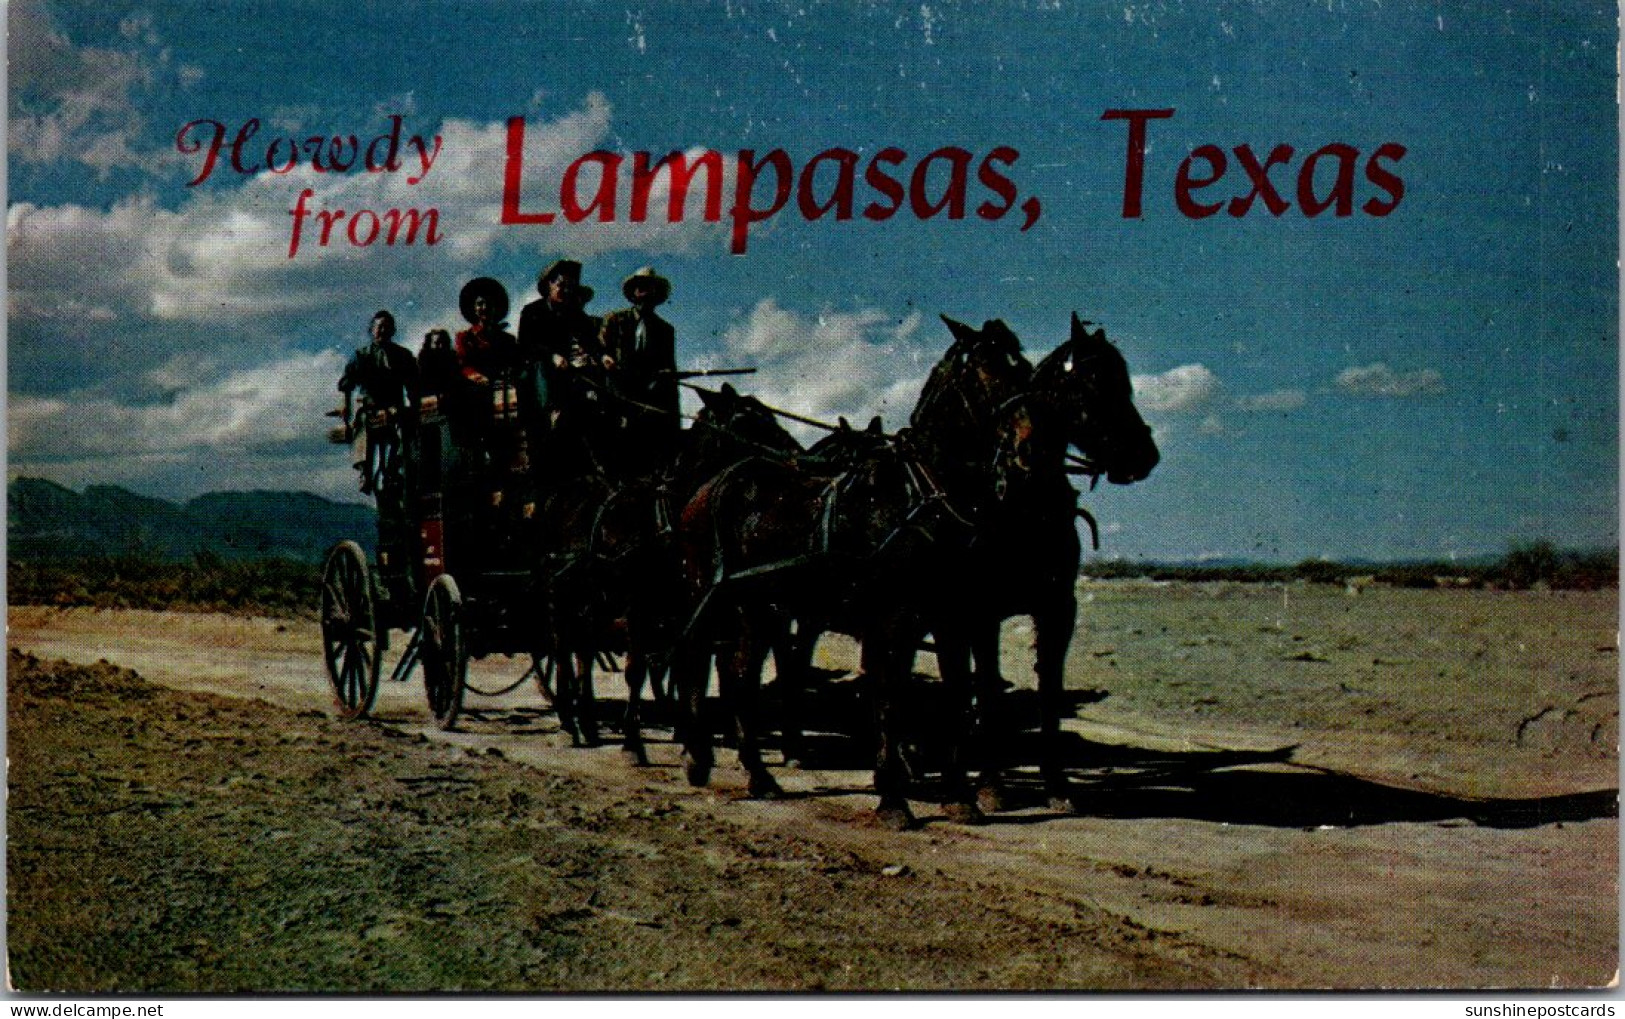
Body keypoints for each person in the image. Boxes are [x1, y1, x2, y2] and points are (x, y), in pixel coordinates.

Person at [599, 266, 680, 473]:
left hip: (649, 393)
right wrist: (605, 358)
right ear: (634, 293)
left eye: (651, 290)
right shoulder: (614, 320)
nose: (646, 294)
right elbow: (599, 349)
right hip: (617, 389)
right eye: (642, 289)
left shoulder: (665, 330)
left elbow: (669, 369)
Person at [338, 310, 418, 494]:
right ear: (372, 330)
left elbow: (413, 385)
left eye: (387, 327)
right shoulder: (361, 355)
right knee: (364, 423)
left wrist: (415, 406)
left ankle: (393, 470)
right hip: (370, 406)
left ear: (393, 331)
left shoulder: (403, 355)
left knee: (405, 427)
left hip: (394, 407)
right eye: (379, 327)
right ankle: (365, 471)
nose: (383, 331)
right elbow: (347, 385)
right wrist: (346, 409)